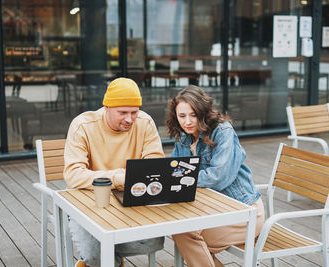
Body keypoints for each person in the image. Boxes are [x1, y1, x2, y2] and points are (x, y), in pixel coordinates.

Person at [63, 77, 165, 267]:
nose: (129, 119)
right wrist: (118, 178)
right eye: (122, 112)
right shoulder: (82, 125)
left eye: (134, 112)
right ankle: (107, 260)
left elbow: (155, 165)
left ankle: (106, 259)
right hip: (89, 203)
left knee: (154, 242)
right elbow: (73, 174)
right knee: (95, 255)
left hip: (130, 200)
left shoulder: (145, 123)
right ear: (107, 107)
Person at [166, 85, 265, 267]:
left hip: (245, 212)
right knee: (182, 233)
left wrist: (182, 177)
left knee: (186, 235)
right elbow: (173, 169)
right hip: (213, 211)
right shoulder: (183, 137)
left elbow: (218, 177)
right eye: (182, 116)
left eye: (193, 115)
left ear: (203, 112)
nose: (187, 121)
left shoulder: (223, 131)